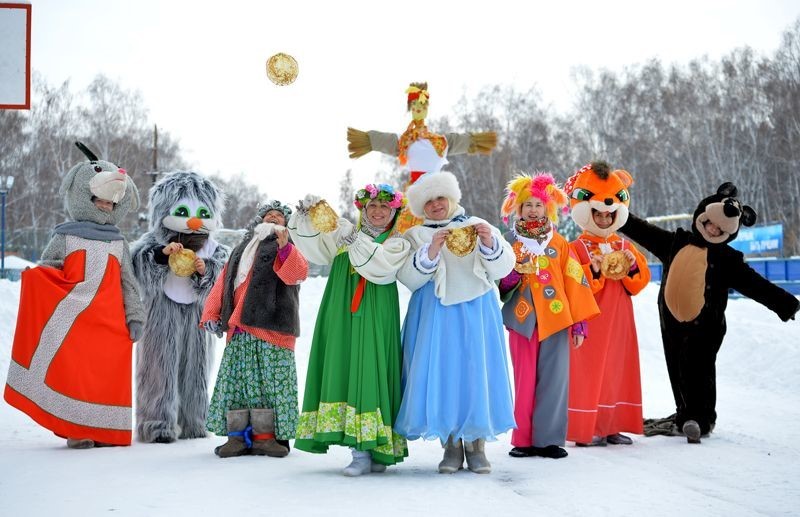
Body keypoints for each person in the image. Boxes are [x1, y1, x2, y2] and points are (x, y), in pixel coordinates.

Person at [4, 142, 144, 448]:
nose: (106, 207)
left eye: (111, 204)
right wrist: (37, 281)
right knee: (76, 374)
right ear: (84, 195)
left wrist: (135, 316)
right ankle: (76, 429)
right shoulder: (65, 236)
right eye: (100, 201)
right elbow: (49, 267)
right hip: (75, 320)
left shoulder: (119, 243)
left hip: (109, 323)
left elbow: (128, 284)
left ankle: (104, 430)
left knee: (107, 376)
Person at [395, 171, 516, 475]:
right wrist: (431, 251)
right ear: (421, 208)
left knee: (475, 372)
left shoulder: (477, 226)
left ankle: (476, 445)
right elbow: (408, 278)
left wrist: (489, 242)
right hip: (435, 313)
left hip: (476, 310)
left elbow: (504, 267)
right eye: (429, 201)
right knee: (443, 373)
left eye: (440, 198)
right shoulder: (416, 236)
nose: (436, 204)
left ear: (452, 198)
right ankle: (450, 444)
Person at [288, 183, 410, 476]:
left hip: (376, 315)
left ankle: (378, 447)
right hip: (341, 312)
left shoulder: (398, 242)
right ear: (363, 210)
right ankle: (358, 452)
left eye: (384, 207)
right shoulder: (343, 238)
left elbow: (378, 265)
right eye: (372, 207)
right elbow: (313, 245)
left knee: (371, 368)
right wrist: (307, 216)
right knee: (344, 368)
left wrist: (353, 237)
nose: (378, 212)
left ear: (393, 212)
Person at [497, 172, 600, 459]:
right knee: (525, 379)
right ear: (518, 209)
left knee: (555, 380)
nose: (532, 209)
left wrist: (579, 323)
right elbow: (500, 283)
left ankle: (549, 439)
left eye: (538, 205)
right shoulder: (510, 244)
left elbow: (574, 281)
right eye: (527, 205)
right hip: (522, 321)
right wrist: (513, 274)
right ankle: (524, 439)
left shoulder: (560, 244)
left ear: (547, 209)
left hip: (557, 320)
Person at [200, 200, 308, 458]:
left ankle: (266, 438)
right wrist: (212, 312)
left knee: (272, 383)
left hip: (273, 328)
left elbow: (297, 274)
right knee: (236, 383)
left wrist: (285, 248)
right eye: (269, 215)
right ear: (260, 220)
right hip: (239, 329)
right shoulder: (241, 249)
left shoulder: (289, 247)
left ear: (286, 224)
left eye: (278, 217)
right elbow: (223, 282)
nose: (273, 219)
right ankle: (236, 438)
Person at [563, 162, 650, 447]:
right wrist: (597, 271)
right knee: (588, 371)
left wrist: (630, 267)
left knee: (616, 368)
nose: (603, 218)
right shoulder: (575, 248)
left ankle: (613, 424)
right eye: (597, 214)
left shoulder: (624, 246)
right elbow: (576, 284)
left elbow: (639, 282)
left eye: (608, 214)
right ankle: (586, 426)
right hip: (591, 318)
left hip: (620, 318)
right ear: (586, 212)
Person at [347, 82, 497, 233]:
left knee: (446, 219)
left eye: (422, 106)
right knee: (409, 225)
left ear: (427, 109)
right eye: (415, 106)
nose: (418, 109)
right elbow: (384, 140)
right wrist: (368, 140)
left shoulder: (439, 142)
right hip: (416, 191)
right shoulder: (406, 140)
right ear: (411, 109)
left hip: (439, 191)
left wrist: (475, 140)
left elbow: (459, 140)